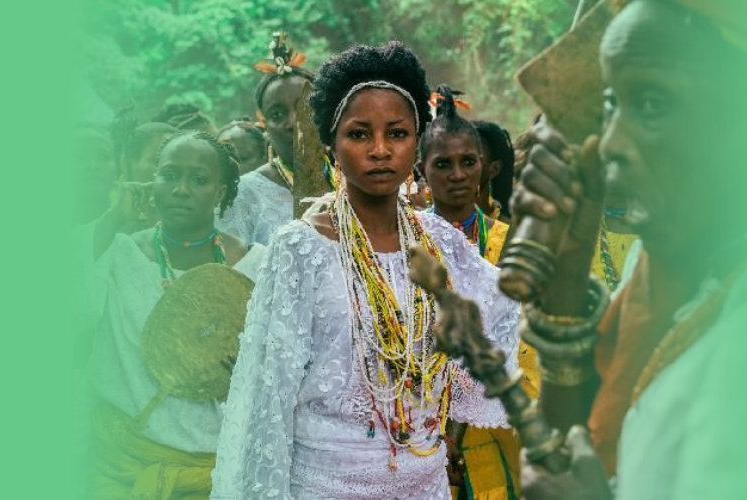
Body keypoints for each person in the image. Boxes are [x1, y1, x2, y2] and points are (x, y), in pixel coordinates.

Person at [212, 41, 521, 499]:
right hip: (326, 485)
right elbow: (267, 397)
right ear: (333, 144)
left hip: (423, 482)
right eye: (359, 134)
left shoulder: (442, 243)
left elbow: (507, 313)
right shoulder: (300, 247)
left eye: (396, 134)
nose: (379, 150)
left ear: (416, 141)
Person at [507, 0, 747, 497]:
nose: (612, 141)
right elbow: (581, 453)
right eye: (611, 104)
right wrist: (566, 280)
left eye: (652, 103)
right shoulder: (664, 271)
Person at [87, 131, 267, 499]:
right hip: (120, 464)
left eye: (199, 180)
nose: (181, 189)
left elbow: (276, 369)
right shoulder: (119, 253)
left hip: (210, 470)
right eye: (169, 175)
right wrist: (113, 217)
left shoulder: (256, 265)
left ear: (220, 192)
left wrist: (249, 371)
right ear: (152, 182)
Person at [417, 85, 542, 500]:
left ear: (484, 166)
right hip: (424, 418)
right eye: (443, 164)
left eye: (467, 162)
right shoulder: (408, 242)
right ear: (421, 170)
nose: (456, 175)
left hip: (501, 411)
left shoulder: (511, 242)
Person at [217, 32, 316, 245]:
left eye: (304, 107)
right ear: (266, 128)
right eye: (277, 115)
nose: (292, 122)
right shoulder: (242, 195)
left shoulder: (354, 180)